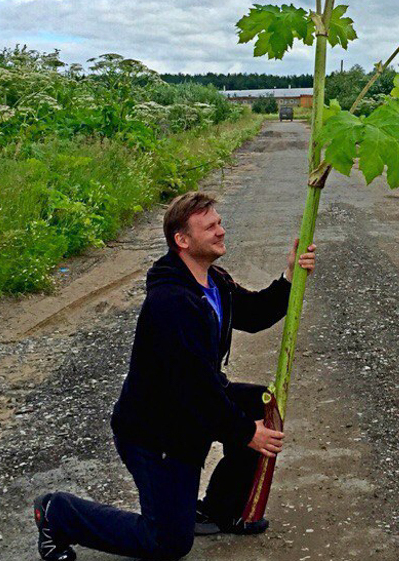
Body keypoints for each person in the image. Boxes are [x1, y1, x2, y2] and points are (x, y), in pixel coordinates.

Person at [32, 190, 316, 561]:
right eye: (210, 227)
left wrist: (290, 276)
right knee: (168, 543)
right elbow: (196, 392)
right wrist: (247, 433)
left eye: (219, 223)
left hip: (186, 415)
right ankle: (58, 514)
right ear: (182, 240)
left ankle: (220, 509)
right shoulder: (171, 302)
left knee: (259, 403)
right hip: (156, 434)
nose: (221, 231)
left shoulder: (213, 283)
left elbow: (254, 313)